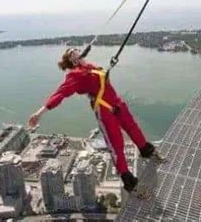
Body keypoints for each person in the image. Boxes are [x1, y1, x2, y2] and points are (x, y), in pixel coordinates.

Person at [27, 48, 164, 197]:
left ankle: (147, 151)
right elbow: (59, 94)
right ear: (73, 59)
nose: (79, 50)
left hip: (116, 103)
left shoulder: (90, 67)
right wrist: (39, 114)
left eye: (78, 49)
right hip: (104, 109)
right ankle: (129, 182)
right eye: (74, 51)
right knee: (116, 144)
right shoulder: (74, 76)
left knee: (133, 128)